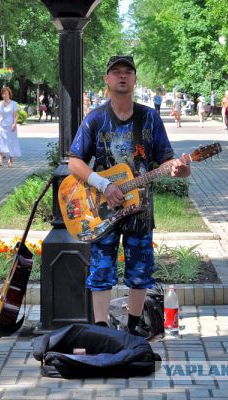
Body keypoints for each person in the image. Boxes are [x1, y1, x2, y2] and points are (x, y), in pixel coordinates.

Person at [68, 55, 191, 335]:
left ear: (135, 79)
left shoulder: (149, 117)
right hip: (102, 208)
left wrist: (179, 170)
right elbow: (74, 161)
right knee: (101, 270)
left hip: (140, 209)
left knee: (140, 270)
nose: (122, 76)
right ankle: (101, 330)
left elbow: (167, 161)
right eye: (116, 72)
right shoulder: (95, 119)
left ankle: (133, 330)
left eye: (128, 72)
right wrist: (103, 185)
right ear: (107, 80)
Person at [0, 87, 21, 168]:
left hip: (11, 127)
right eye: (3, 94)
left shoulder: (14, 104)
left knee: (11, 143)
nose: (4, 95)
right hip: (2, 126)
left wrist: (14, 124)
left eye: (6, 94)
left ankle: (10, 160)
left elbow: (16, 116)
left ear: (9, 94)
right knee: (0, 142)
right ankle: (0, 160)